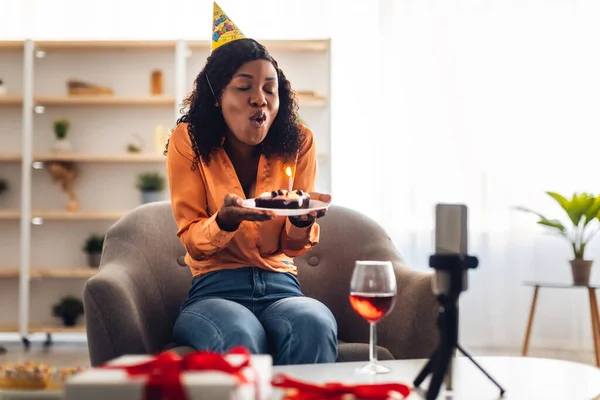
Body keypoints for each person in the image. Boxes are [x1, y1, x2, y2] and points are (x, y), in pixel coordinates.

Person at [164, 3, 338, 365]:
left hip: (281, 287)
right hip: (214, 291)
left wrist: (303, 220)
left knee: (315, 321)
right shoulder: (189, 141)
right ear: (218, 98)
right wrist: (225, 221)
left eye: (270, 89)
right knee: (239, 332)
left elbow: (291, 249)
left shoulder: (300, 142)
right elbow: (194, 242)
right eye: (244, 87)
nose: (260, 98)